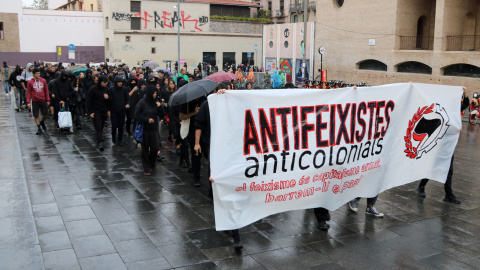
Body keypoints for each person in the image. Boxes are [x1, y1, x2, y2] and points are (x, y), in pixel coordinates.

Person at [194, 84, 243, 249]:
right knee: (219, 183)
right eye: (224, 90)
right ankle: (230, 225)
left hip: (232, 150)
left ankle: (232, 227)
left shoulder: (232, 104)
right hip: (215, 149)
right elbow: (199, 125)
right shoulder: (208, 104)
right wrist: (196, 144)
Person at [416, 86, 468, 204]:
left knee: (449, 170)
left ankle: (448, 194)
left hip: (449, 145)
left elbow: (466, 104)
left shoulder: (454, 109)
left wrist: (465, 93)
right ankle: (421, 185)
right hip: (437, 145)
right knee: (432, 167)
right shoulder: (438, 112)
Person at [134, 85, 164, 176]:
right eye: (154, 93)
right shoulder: (142, 102)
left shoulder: (156, 102)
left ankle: (152, 162)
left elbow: (162, 114)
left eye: (156, 93)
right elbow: (136, 115)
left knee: (155, 147)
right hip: (145, 129)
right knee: (145, 148)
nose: (155, 95)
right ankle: (146, 167)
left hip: (154, 129)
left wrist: (159, 107)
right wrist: (146, 119)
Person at [86, 75, 111, 151]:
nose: (105, 84)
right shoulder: (93, 89)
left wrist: (108, 99)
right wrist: (90, 112)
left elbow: (110, 101)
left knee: (102, 125)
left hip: (103, 111)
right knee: (98, 127)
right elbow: (89, 101)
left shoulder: (106, 89)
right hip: (96, 111)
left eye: (106, 82)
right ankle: (99, 142)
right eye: (104, 82)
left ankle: (100, 136)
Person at [26, 68, 49, 135]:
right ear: (33, 74)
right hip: (35, 100)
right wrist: (28, 102)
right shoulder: (30, 82)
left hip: (43, 99)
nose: (38, 75)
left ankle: (42, 122)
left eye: (39, 73)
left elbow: (46, 90)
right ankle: (39, 128)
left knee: (45, 113)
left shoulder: (43, 81)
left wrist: (48, 99)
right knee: (36, 114)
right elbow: (28, 92)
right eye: (37, 73)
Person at [110, 76, 130, 146]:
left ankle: (120, 139)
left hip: (122, 110)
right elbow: (110, 99)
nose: (120, 83)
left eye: (121, 82)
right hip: (114, 110)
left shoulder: (124, 89)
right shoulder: (112, 89)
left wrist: (127, 104)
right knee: (114, 125)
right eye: (119, 82)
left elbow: (127, 98)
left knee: (121, 126)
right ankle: (113, 136)